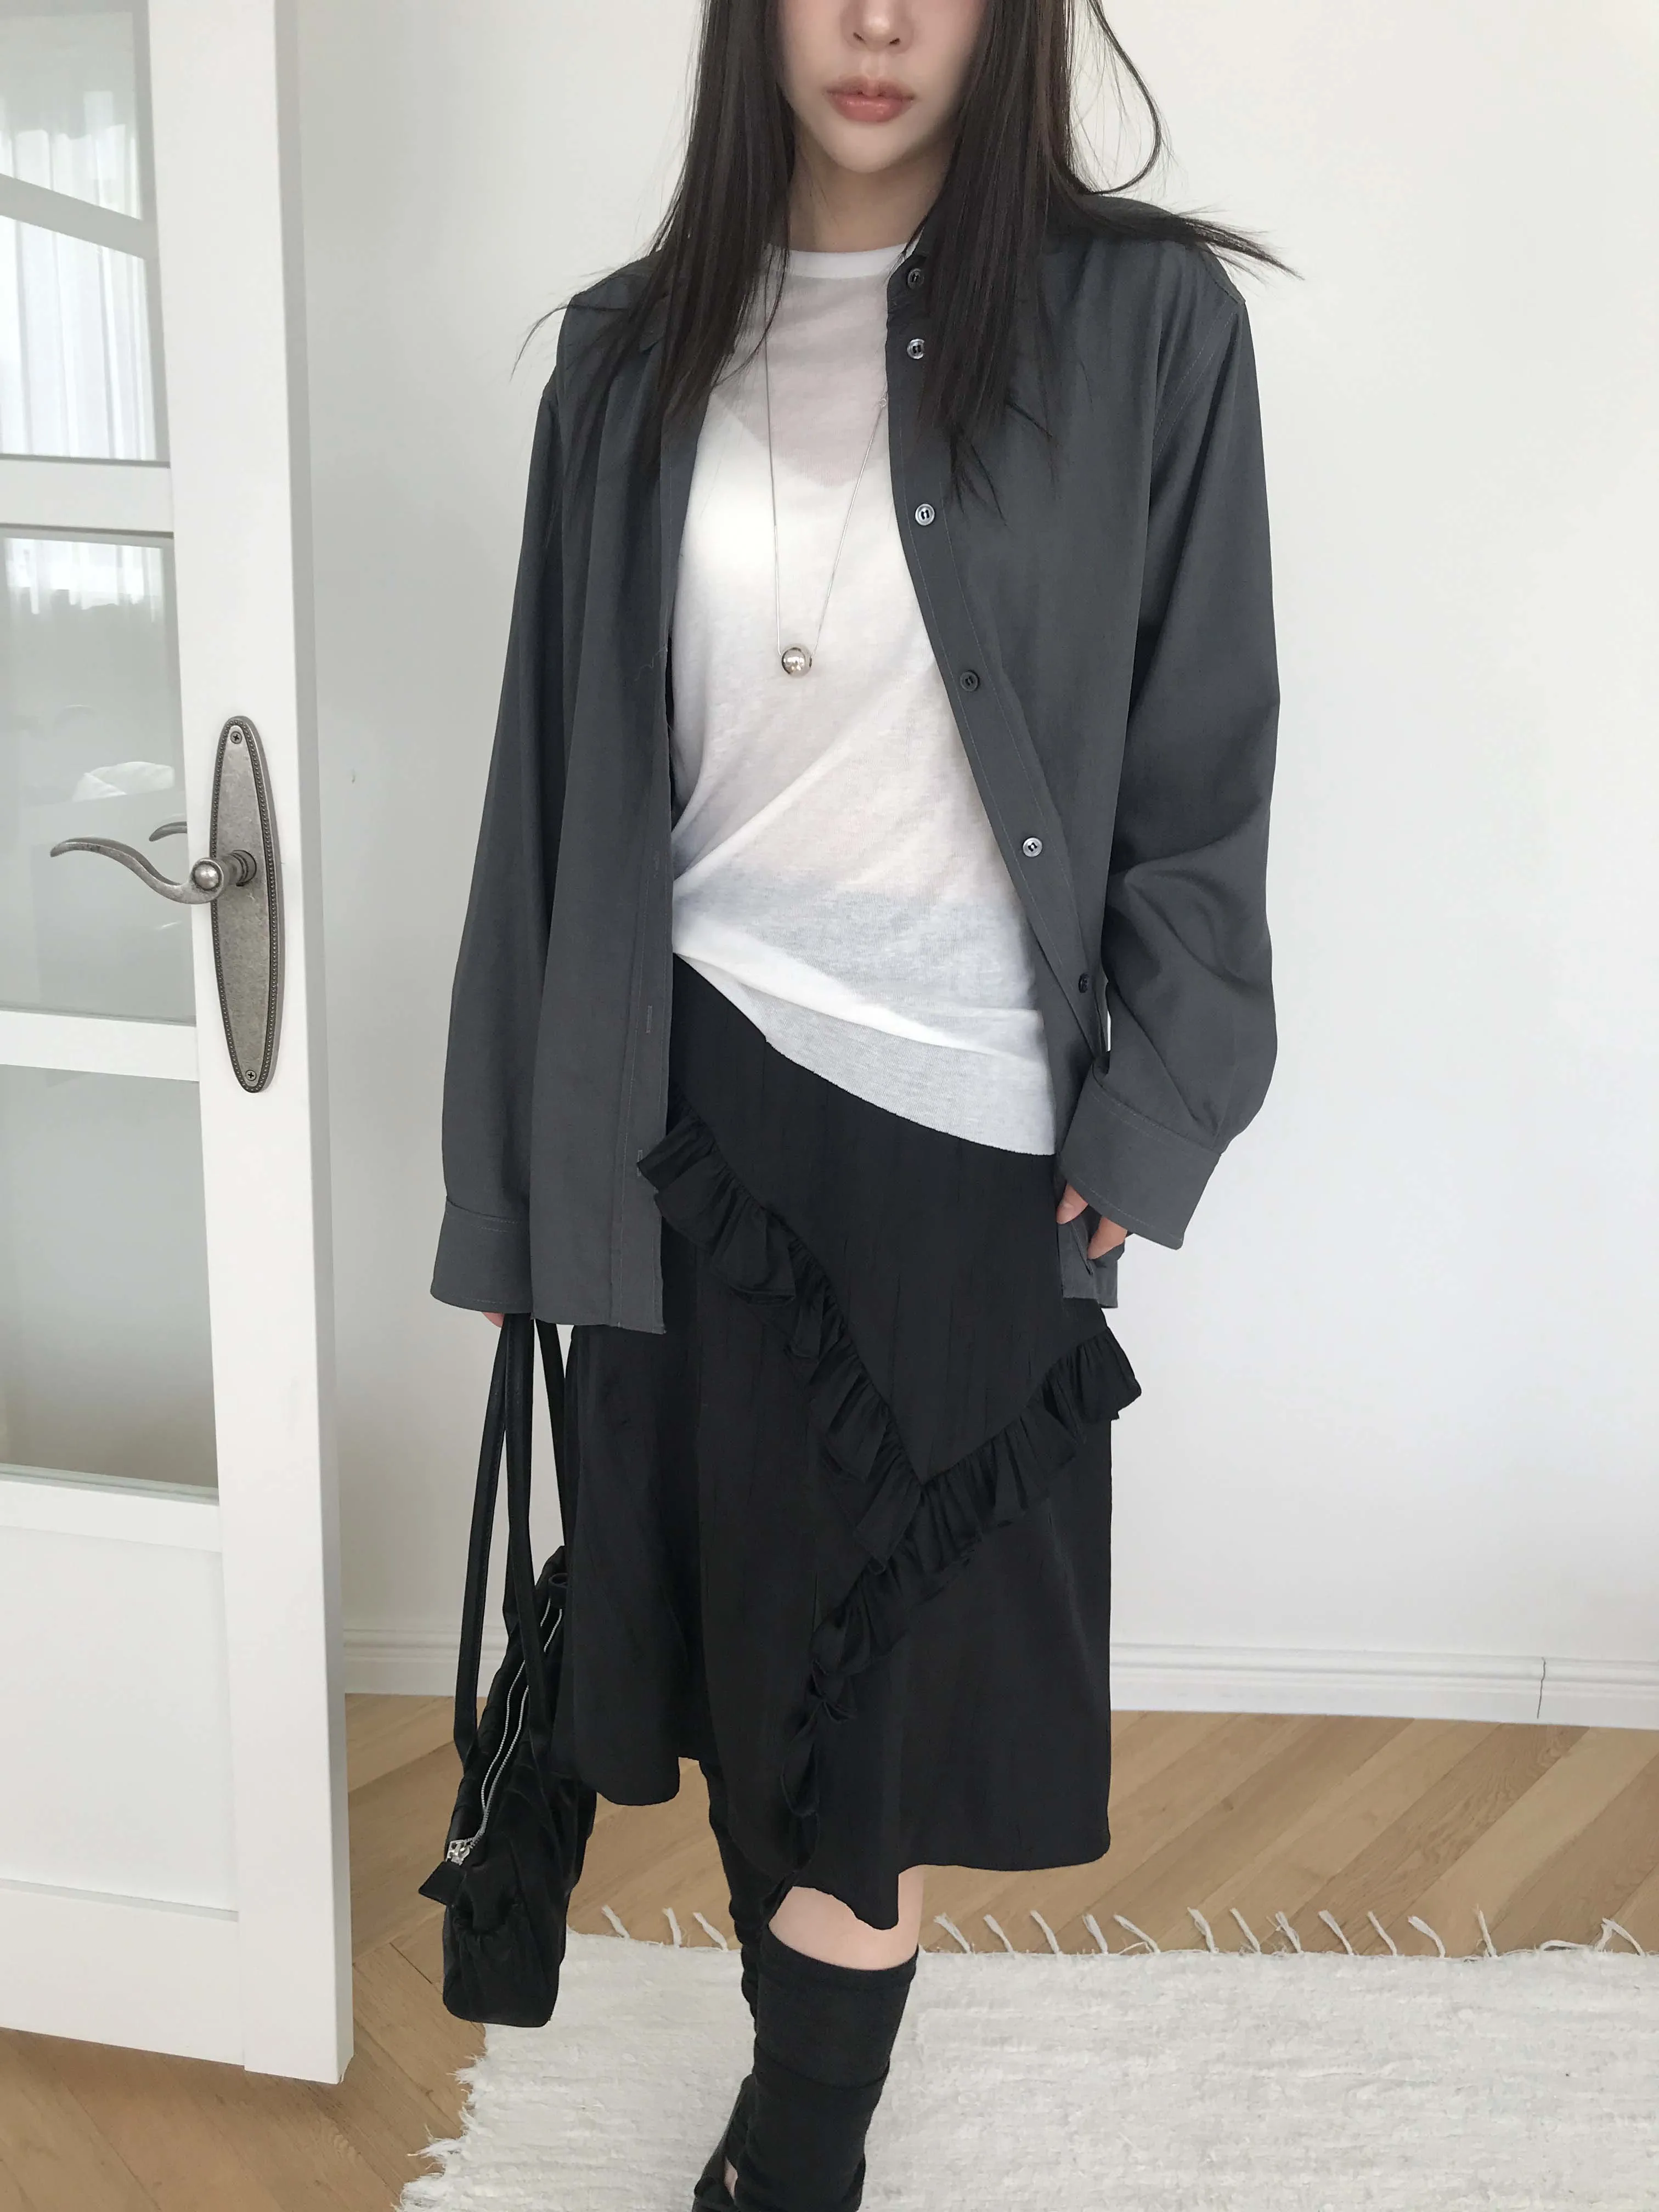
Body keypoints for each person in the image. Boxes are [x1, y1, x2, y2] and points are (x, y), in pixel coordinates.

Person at [431, 1, 1286, 2204]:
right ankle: (785, 2102)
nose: (881, 21)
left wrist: (1155, 1112)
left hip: (972, 1137)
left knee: (871, 1729)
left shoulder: (1148, 327)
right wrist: (518, 1183)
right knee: (745, 1676)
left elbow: (1202, 773)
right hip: (684, 1110)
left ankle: (799, 2151)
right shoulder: (625, 357)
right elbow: (550, 797)